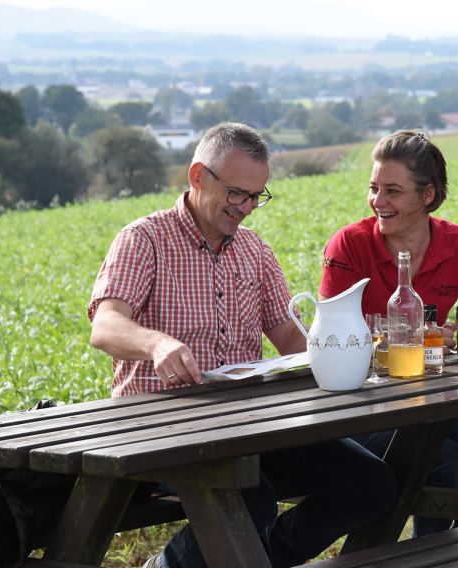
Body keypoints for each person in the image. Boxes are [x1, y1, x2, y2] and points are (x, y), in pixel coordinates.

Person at [88, 122, 395, 568]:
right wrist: (156, 345)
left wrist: (349, 350)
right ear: (197, 176)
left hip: (248, 424)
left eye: (256, 196)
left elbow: (291, 339)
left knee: (371, 486)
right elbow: (105, 325)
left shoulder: (255, 251)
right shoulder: (143, 239)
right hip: (160, 426)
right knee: (250, 503)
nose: (247, 208)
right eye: (236, 193)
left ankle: (259, 560)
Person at [319, 130, 458, 537]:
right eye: (374, 188)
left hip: (430, 397)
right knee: (448, 463)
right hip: (366, 401)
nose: (378, 202)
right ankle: (429, 555)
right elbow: (332, 343)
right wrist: (411, 339)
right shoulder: (349, 245)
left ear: (427, 196)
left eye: (392, 191)